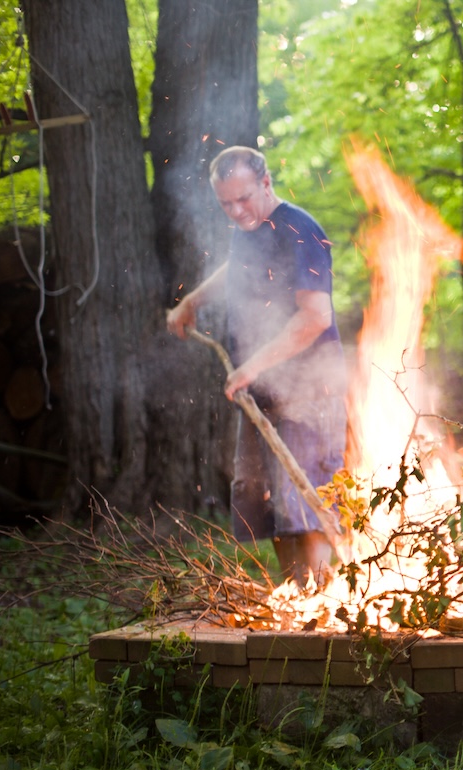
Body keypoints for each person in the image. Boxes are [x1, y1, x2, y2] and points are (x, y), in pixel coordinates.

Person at [167, 145, 347, 587]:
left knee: (306, 500)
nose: (236, 211)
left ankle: (323, 598)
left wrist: (253, 366)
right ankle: (296, 597)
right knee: (263, 498)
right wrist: (193, 299)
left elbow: (315, 317)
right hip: (261, 388)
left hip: (310, 390)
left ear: (266, 183)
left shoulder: (302, 231)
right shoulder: (248, 229)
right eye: (225, 203)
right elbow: (237, 267)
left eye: (243, 198)